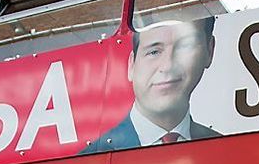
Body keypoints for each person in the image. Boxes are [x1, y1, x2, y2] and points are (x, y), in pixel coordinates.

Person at [79, 18, 220, 154]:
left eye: (185, 47)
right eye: (154, 52)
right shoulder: (91, 158)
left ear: (210, 51)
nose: (168, 66)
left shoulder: (222, 149)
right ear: (131, 65)